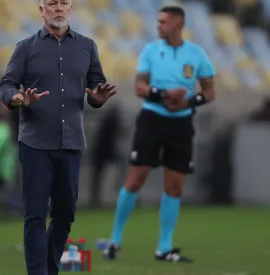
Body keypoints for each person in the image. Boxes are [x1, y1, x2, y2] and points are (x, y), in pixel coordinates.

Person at [0, 0, 117, 274]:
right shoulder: (25, 47)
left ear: (71, 8)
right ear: (42, 10)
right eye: (52, 3)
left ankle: (50, 268)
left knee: (65, 215)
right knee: (36, 215)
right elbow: (6, 85)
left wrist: (98, 99)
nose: (58, 8)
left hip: (72, 142)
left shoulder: (87, 47)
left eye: (64, 3)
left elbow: (96, 89)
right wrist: (18, 98)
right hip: (35, 143)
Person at [103, 5, 216, 263]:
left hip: (181, 123)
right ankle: (115, 239)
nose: (158, 26)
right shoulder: (151, 51)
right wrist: (164, 96)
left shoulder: (196, 54)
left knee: (175, 185)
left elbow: (210, 91)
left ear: (177, 24)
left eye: (163, 22)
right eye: (158, 21)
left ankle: (163, 247)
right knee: (134, 179)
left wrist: (189, 101)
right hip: (152, 120)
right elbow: (139, 86)